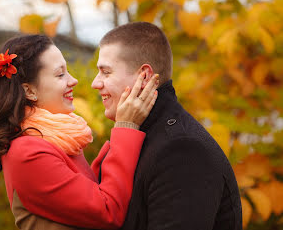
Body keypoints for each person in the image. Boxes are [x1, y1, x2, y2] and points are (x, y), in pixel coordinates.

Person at [0, 34, 159, 230]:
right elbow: (108, 211)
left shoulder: (56, 138)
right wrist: (126, 127)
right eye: (60, 75)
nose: (73, 80)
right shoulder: (28, 153)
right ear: (29, 91)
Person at [91, 22, 242, 230]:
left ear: (143, 76)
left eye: (105, 72)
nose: (95, 83)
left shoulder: (182, 150)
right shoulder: (141, 136)